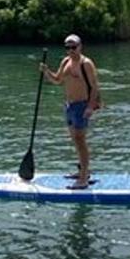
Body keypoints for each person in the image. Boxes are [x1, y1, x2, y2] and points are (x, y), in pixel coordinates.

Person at [39, 33, 102, 189]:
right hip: (69, 106)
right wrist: (46, 72)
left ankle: (83, 179)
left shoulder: (86, 63)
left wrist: (90, 107)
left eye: (73, 47)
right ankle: (83, 171)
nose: (71, 50)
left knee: (80, 141)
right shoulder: (66, 61)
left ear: (80, 47)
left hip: (82, 105)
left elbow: (94, 87)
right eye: (68, 47)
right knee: (75, 139)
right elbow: (58, 80)